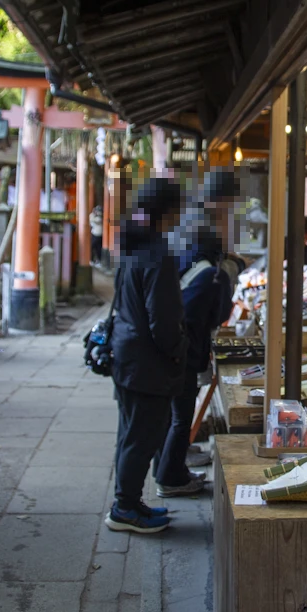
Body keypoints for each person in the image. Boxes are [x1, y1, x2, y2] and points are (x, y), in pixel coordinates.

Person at [107, 177, 190, 534]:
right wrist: (178, 353)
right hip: (147, 362)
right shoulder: (158, 254)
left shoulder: (134, 245)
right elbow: (164, 321)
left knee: (131, 434)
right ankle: (125, 508)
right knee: (142, 437)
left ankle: (129, 501)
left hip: (127, 356)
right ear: (167, 212)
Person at [155, 169, 242, 496]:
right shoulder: (204, 230)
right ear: (222, 200)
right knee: (180, 413)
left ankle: (170, 462)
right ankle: (170, 476)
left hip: (173, 334)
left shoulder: (188, 221)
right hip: (184, 338)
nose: (232, 211)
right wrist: (230, 271)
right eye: (232, 204)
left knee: (173, 412)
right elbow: (210, 296)